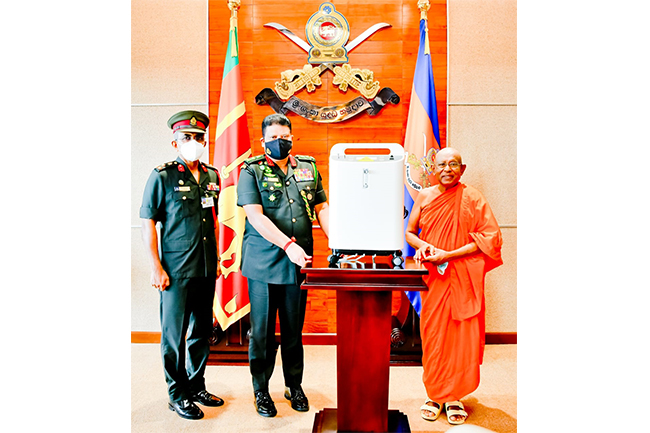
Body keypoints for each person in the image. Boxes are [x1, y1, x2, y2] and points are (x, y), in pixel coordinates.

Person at [237, 113, 330, 417]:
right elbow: (255, 216)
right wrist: (288, 245)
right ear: (263, 141)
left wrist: (338, 242)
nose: (281, 141)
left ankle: (294, 385)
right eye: (274, 137)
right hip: (264, 263)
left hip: (297, 264)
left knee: (293, 331)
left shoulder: (307, 167)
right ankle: (261, 391)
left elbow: (321, 207)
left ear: (292, 136)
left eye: (285, 136)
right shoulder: (251, 171)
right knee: (262, 333)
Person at [405, 147, 503, 425]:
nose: (447, 169)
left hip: (462, 274)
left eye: (453, 164)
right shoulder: (424, 197)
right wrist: (425, 246)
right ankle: (435, 394)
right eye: (442, 164)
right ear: (433, 169)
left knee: (461, 337)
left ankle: (454, 396)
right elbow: (410, 233)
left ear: (462, 168)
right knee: (435, 334)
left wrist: (448, 255)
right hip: (435, 277)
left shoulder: (472, 197)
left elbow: (489, 238)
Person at [140, 110, 225, 420]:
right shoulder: (162, 175)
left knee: (201, 331)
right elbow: (148, 223)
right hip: (174, 271)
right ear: (174, 141)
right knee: (173, 335)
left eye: (198, 137)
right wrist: (155, 267)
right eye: (186, 137)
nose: (193, 142)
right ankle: (177, 394)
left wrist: (216, 260)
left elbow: (213, 220)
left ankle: (196, 385)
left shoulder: (213, 175)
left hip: (205, 268)